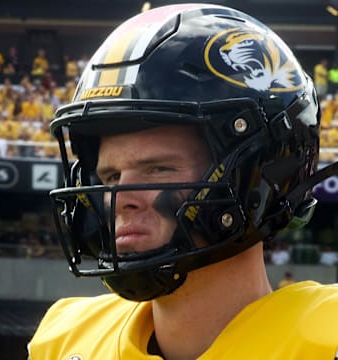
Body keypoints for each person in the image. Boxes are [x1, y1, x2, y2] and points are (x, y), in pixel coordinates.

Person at [28, 4, 338, 359]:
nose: (116, 199)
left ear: (257, 172)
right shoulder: (65, 340)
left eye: (158, 169)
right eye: (110, 175)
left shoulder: (327, 340)